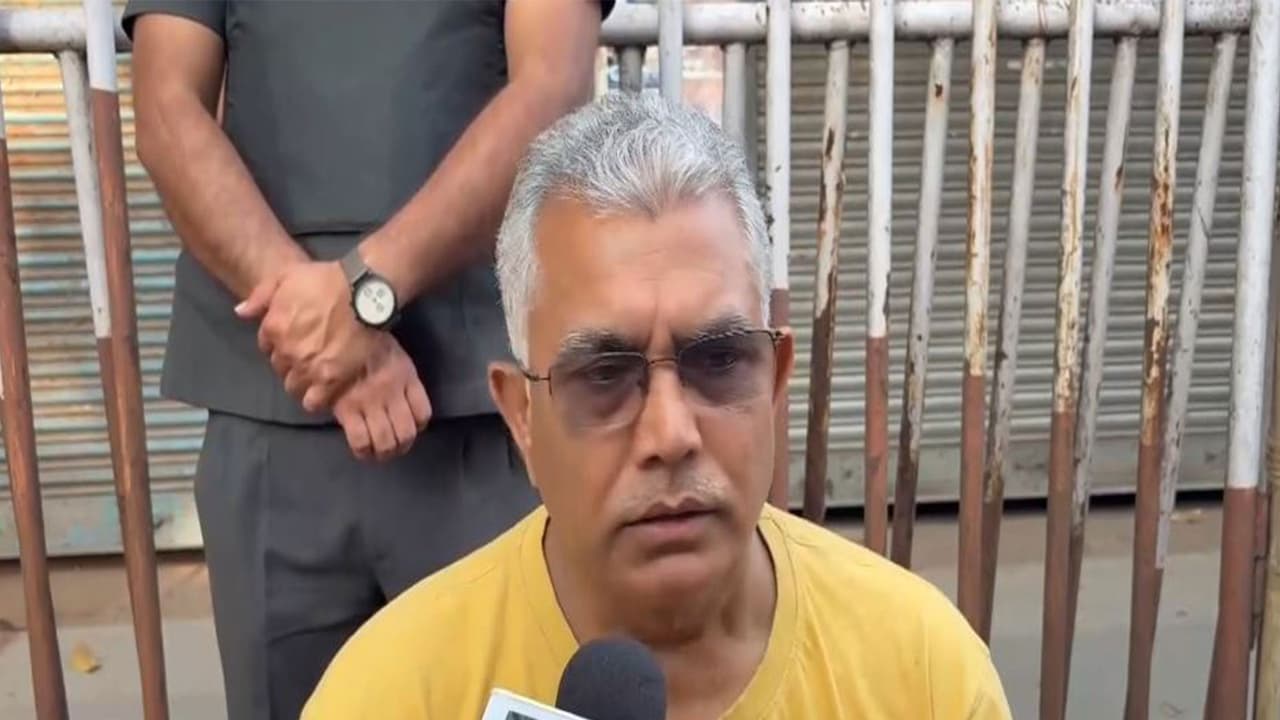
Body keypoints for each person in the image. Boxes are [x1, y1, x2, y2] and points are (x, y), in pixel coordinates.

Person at [301, 93, 1013, 720]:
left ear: (774, 383)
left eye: (719, 361)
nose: (670, 435)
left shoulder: (924, 676)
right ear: (522, 416)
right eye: (604, 375)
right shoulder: (394, 693)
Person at [123, 1, 612, 717]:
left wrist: (361, 293)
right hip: (271, 410)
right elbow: (167, 106)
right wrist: (317, 319)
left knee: (501, 687)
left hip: (490, 409)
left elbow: (553, 85)